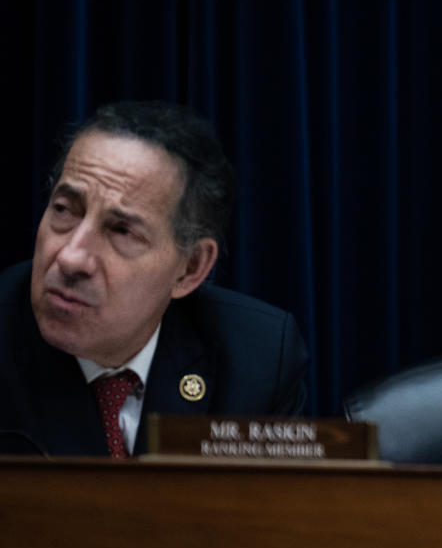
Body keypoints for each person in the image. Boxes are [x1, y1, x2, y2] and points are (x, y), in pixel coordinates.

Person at [0, 101, 309, 457]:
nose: (70, 258)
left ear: (191, 267)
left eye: (121, 231)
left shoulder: (256, 361)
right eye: (65, 210)